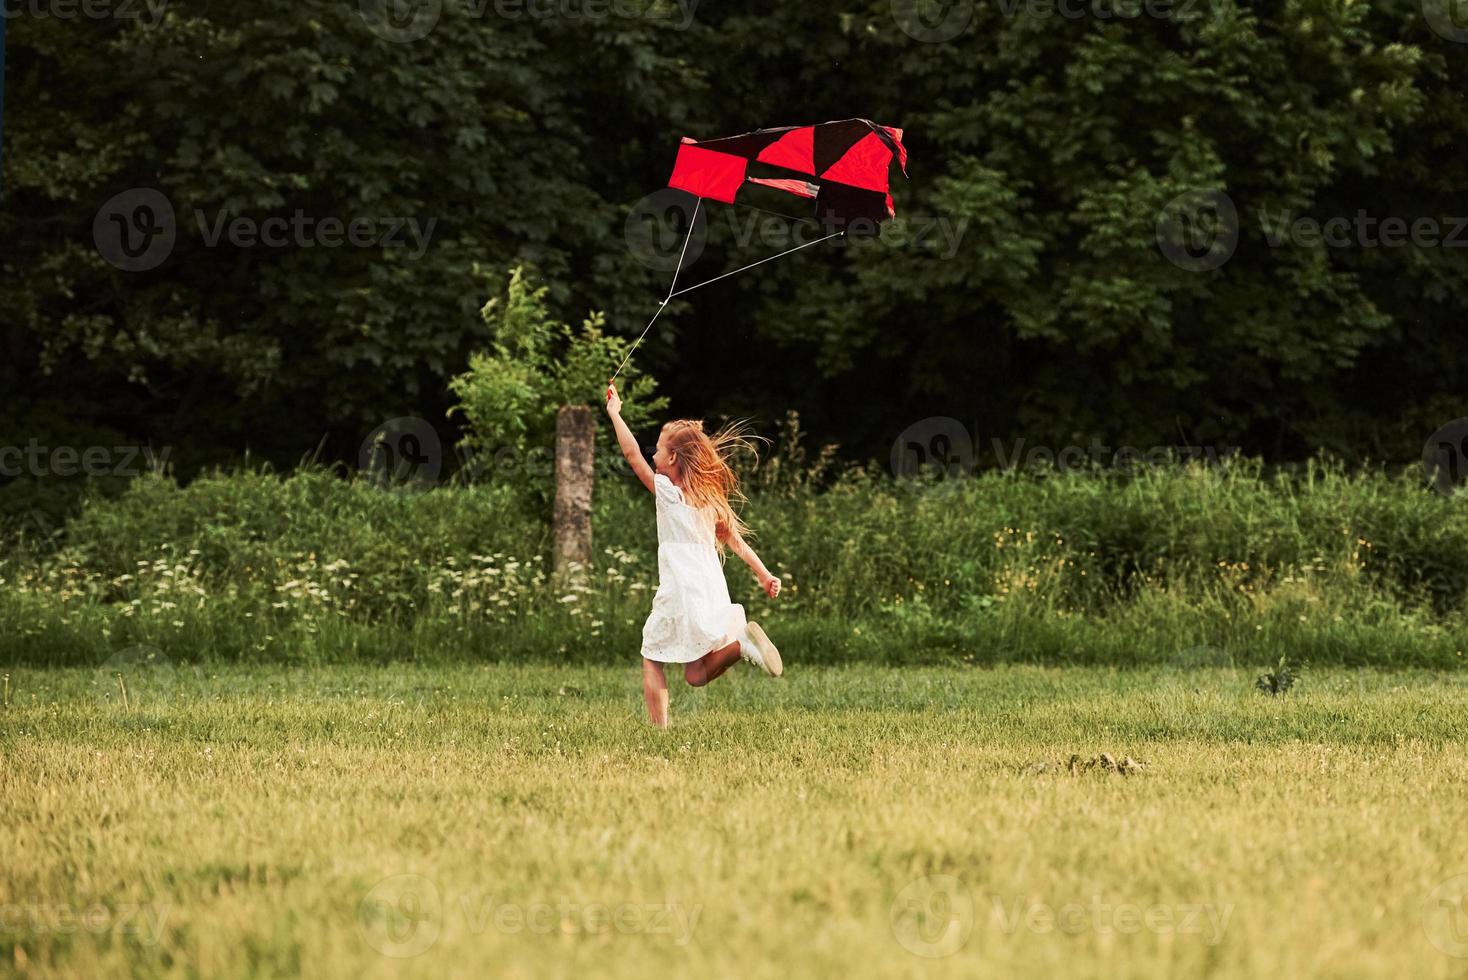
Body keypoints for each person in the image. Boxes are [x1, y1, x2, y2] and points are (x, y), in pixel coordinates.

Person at [604, 381, 784, 728]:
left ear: (672, 458)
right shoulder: (708, 500)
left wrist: (615, 413)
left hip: (682, 589)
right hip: (711, 588)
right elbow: (736, 542)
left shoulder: (669, 494)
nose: (652, 454)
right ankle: (742, 645)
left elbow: (631, 456)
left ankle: (658, 731)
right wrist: (764, 574)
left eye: (657, 449)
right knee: (695, 674)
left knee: (651, 654)